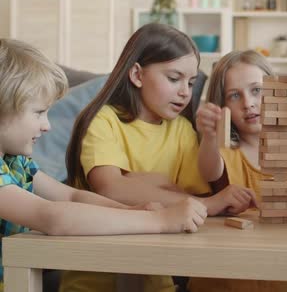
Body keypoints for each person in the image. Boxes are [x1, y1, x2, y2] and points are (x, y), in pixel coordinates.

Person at [0, 38, 206, 292]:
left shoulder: (16, 162)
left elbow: (71, 195)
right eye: (38, 112)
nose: (47, 125)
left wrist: (132, 212)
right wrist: (161, 221)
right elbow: (51, 216)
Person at [61, 23, 255, 291]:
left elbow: (190, 203)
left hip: (156, 282)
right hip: (95, 280)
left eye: (190, 82)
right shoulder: (104, 121)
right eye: (174, 79)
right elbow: (110, 187)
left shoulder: (182, 131)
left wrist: (143, 185)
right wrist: (183, 196)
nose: (185, 92)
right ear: (137, 74)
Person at [192, 50, 287, 292]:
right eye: (235, 95)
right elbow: (209, 172)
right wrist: (209, 135)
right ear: (223, 106)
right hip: (220, 281)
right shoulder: (221, 152)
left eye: (257, 90)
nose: (248, 103)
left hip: (279, 280)